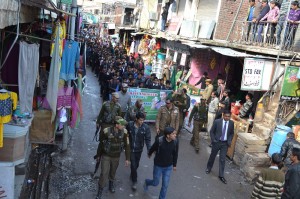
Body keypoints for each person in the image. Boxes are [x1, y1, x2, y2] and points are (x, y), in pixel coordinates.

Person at [95, 117, 130, 199]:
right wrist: (98, 155)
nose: (124, 126)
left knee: (113, 172)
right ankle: (100, 191)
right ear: (117, 125)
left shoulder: (124, 133)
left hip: (116, 156)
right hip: (106, 155)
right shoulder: (106, 131)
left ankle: (111, 184)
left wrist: (127, 158)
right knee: (104, 173)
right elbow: (101, 144)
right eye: (122, 125)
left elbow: (127, 146)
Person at [143, 127, 179, 199]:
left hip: (168, 166)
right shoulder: (159, 141)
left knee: (165, 185)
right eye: (173, 134)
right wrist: (149, 153)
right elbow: (153, 148)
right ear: (168, 135)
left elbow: (175, 153)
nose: (175, 135)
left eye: (175, 133)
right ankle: (147, 182)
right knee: (155, 183)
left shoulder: (175, 141)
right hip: (158, 166)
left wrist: (174, 165)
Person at [205, 110, 234, 184]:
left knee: (222, 159)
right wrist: (213, 140)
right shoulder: (217, 122)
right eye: (226, 116)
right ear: (223, 115)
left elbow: (231, 133)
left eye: (229, 117)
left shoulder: (231, 123)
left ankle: (221, 175)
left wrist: (229, 140)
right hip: (217, 142)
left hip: (225, 144)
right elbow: (212, 131)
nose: (227, 118)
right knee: (212, 156)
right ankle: (208, 168)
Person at [126, 112, 151, 191]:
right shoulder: (130, 125)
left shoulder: (145, 127)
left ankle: (133, 173)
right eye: (140, 120)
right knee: (133, 165)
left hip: (139, 149)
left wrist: (149, 150)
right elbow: (125, 134)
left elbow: (148, 139)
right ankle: (134, 182)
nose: (142, 122)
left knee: (136, 165)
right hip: (131, 149)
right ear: (136, 119)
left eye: (143, 120)